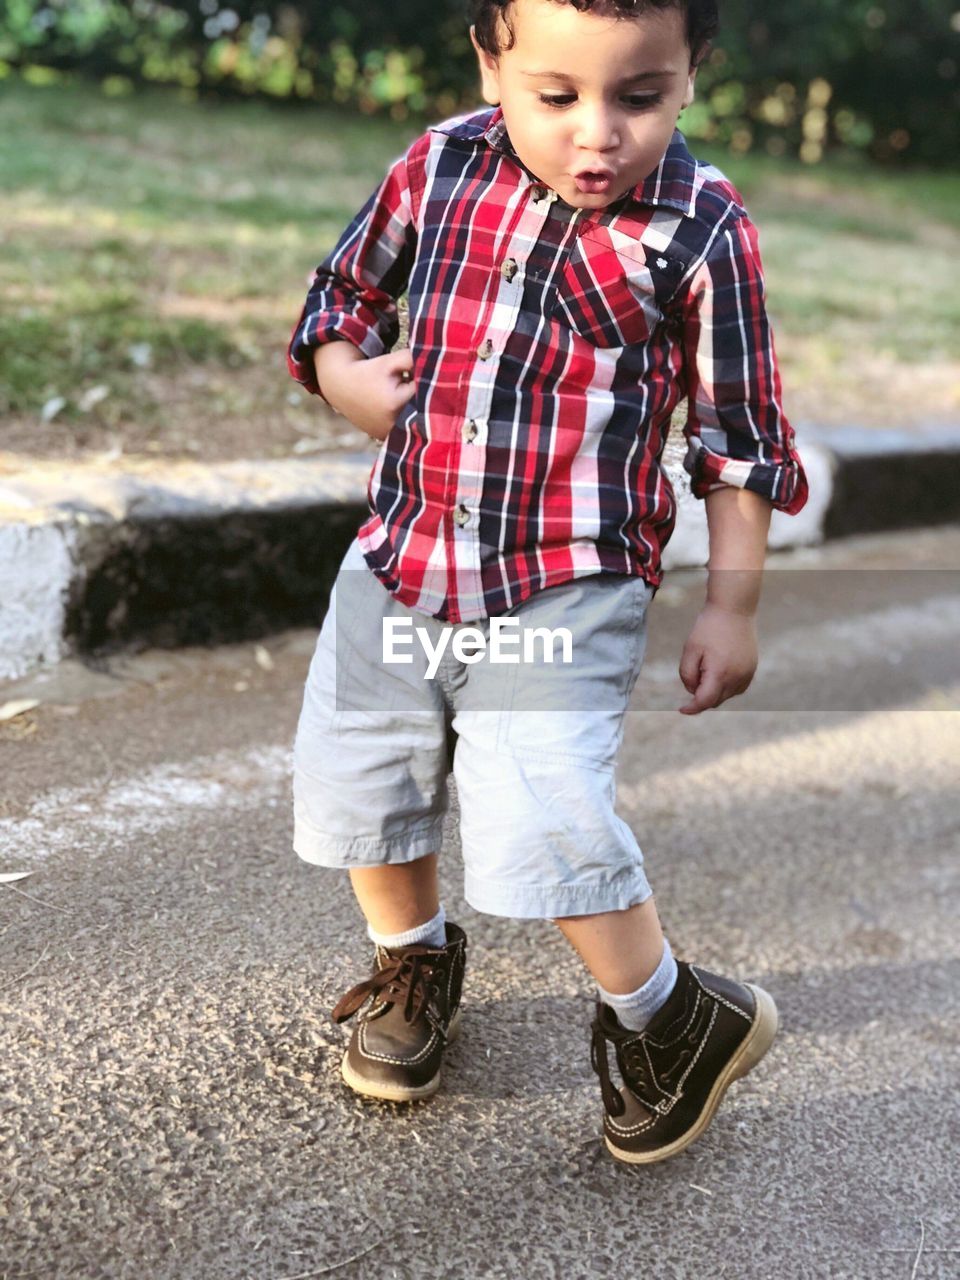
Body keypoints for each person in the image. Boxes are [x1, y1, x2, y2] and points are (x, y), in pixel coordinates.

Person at [285, 0, 809, 1165]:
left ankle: (671, 1016)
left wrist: (733, 602)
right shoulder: (441, 163)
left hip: (564, 581)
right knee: (361, 779)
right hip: (404, 554)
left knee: (541, 810)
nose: (598, 138)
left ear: (691, 75)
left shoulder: (703, 226)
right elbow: (340, 296)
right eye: (556, 97)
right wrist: (342, 376)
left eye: (641, 97)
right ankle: (413, 958)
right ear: (492, 59)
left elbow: (738, 440)